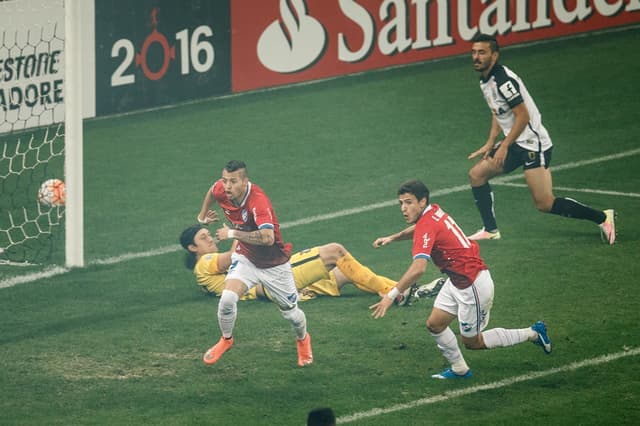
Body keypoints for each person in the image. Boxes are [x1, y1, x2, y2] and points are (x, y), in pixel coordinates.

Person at [370, 179, 551, 379]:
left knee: (473, 342)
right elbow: (419, 230)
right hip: (457, 280)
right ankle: (459, 369)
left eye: (409, 202)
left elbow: (418, 269)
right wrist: (393, 238)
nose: (404, 208)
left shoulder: (427, 223)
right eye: (401, 203)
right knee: (435, 324)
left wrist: (391, 295)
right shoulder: (433, 212)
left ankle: (533, 333)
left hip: (472, 284)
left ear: (422, 202)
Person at [466, 33, 615, 244]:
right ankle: (490, 230)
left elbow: (523, 115)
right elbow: (497, 111)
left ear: (495, 55)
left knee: (544, 203)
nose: (476, 57)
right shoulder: (485, 79)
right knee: (476, 175)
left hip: (534, 145)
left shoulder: (503, 81)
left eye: (482, 52)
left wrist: (504, 146)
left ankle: (602, 218)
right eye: (473, 52)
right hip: (515, 141)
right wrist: (491, 142)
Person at [196, 160, 312, 367]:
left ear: (245, 181)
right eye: (225, 181)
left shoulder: (258, 201)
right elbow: (212, 192)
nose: (227, 186)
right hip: (246, 258)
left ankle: (303, 340)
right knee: (227, 299)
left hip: (274, 264)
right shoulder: (222, 189)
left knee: (292, 315)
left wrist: (231, 233)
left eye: (233, 181)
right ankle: (226, 339)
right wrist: (202, 216)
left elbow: (267, 238)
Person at [179, 223, 421, 303]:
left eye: (208, 234)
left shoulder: (205, 272)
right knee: (335, 251)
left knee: (344, 271)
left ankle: (403, 290)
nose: (209, 238)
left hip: (273, 283)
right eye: (203, 238)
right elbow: (235, 257)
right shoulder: (205, 262)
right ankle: (393, 292)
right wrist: (236, 232)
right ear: (192, 248)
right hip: (272, 281)